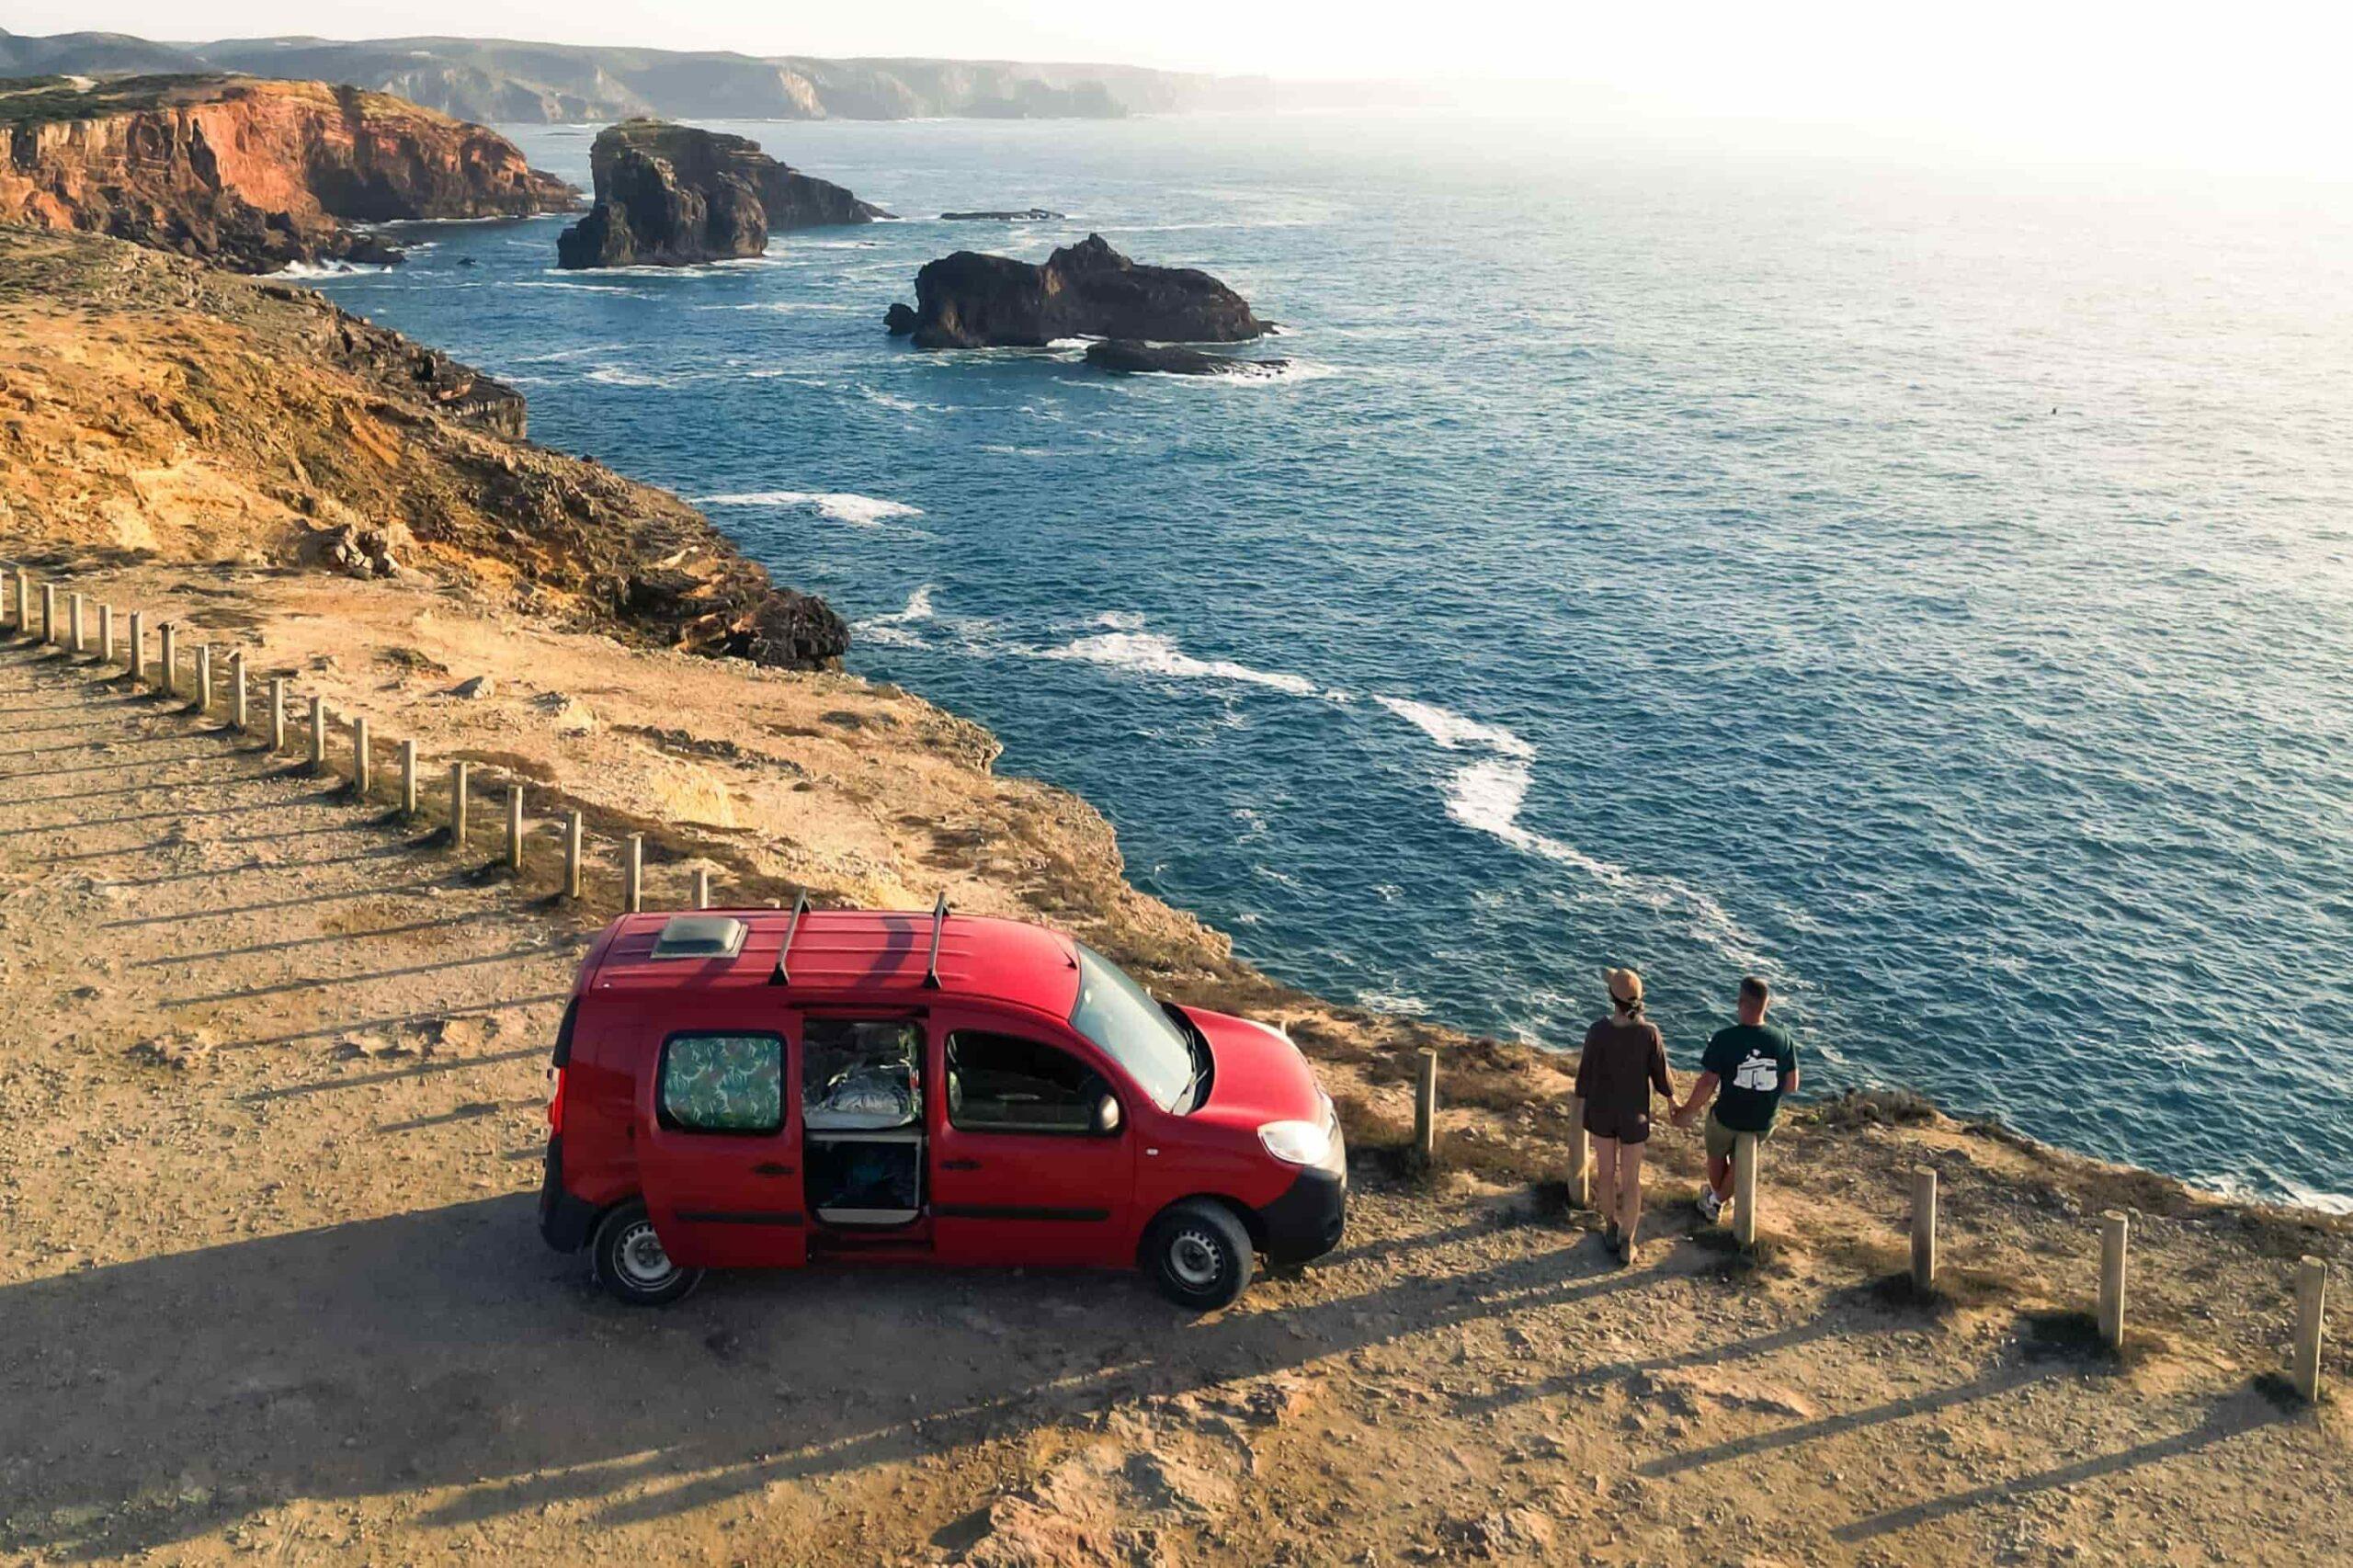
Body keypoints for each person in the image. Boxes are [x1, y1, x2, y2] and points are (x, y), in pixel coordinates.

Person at [1673, 976, 1799, 1222]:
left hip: (1727, 1117)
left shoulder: (1725, 1038)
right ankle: (1717, 1198)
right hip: (1763, 1121)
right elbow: (1792, 1085)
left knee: (1717, 1146)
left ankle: (1715, 1199)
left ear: (1740, 1002)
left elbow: (1707, 1083)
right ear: (1767, 1004)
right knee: (1743, 1157)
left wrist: (1687, 1111)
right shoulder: (1783, 1039)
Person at [1574, 967, 1674, 1265]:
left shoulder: (1597, 1031)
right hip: (1635, 1117)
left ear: (1611, 998)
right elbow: (1662, 1080)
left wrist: (1577, 1114)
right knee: (1631, 1180)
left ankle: (1609, 1227)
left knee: (1606, 1174)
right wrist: (1674, 1103)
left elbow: (1583, 1080)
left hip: (1601, 1114)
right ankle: (1628, 1241)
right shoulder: (1649, 1034)